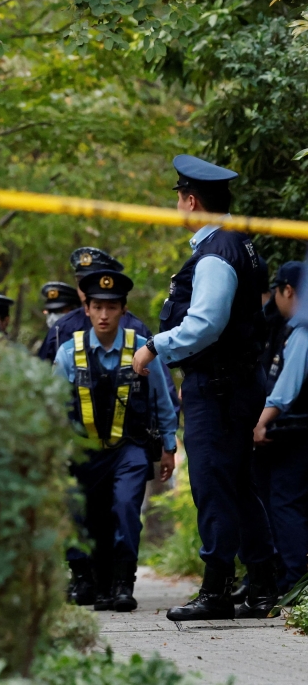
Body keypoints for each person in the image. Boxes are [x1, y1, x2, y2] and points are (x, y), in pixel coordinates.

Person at [133, 154, 275, 621]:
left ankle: (217, 591)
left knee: (214, 485)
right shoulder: (241, 244)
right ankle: (261, 588)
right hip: (234, 382)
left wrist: (154, 346)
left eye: (179, 197)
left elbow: (206, 324)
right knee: (238, 485)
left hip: (219, 389)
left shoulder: (216, 253)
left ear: (191, 201)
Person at [55, 270, 178, 612]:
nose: (104, 315)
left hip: (129, 448)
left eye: (111, 307)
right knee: (79, 511)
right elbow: (52, 408)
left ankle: (124, 583)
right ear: (87, 309)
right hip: (83, 450)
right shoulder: (68, 353)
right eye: (97, 307)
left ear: (124, 309)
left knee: (125, 506)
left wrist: (169, 447)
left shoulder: (142, 349)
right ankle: (86, 579)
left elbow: (162, 400)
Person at [252, 262, 308, 594]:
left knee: (286, 502)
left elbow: (286, 391)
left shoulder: (302, 332)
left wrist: (260, 422)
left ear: (288, 291)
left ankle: (295, 582)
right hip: (295, 431)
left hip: (297, 433)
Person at [38, 248, 152, 363]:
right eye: (80, 282)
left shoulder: (135, 328)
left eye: (92, 283)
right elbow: (40, 370)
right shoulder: (61, 328)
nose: (85, 289)